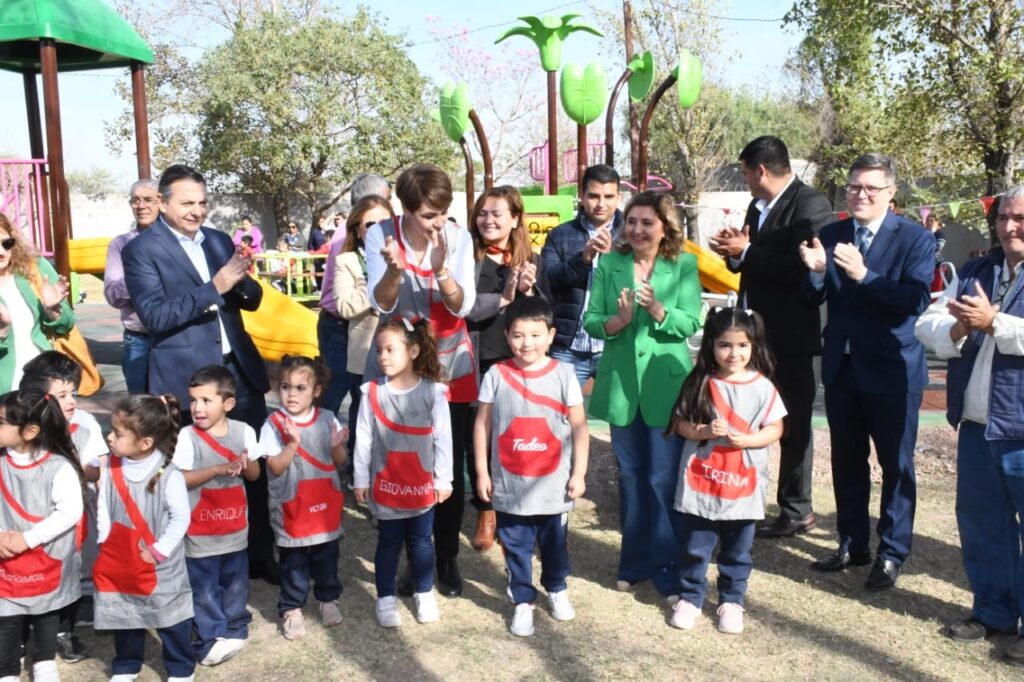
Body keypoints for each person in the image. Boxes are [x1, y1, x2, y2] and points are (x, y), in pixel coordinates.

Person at [122, 164, 275, 584]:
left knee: (252, 464)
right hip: (186, 380)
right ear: (163, 202)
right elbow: (154, 316)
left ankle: (260, 554)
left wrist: (241, 279)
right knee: (188, 474)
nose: (197, 211)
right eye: (187, 203)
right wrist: (215, 286)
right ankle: (194, 559)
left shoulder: (218, 240)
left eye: (203, 203)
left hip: (237, 372)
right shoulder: (141, 250)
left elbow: (251, 299)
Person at [799, 152, 934, 590]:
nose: (860, 194)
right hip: (843, 367)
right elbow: (811, 297)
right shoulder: (832, 234)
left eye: (870, 188)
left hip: (893, 370)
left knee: (896, 466)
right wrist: (816, 273)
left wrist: (865, 275)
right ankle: (852, 542)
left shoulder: (914, 238)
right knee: (847, 461)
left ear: (891, 193)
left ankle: (891, 553)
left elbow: (914, 301)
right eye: (854, 186)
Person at [914, 186, 1024, 666]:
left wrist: (995, 322)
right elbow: (928, 322)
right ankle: (993, 612)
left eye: (1019, 218)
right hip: (978, 424)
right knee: (982, 524)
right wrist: (958, 327)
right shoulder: (978, 270)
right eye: (1003, 217)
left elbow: (1003, 329)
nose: (1008, 227)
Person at [709, 136, 833, 539]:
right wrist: (734, 252)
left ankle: (796, 509)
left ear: (761, 170)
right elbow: (751, 262)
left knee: (793, 425)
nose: (745, 179)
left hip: (793, 338)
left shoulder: (811, 205)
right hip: (754, 337)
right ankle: (745, 496)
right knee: (749, 419)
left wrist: (747, 252)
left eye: (745, 172)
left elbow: (802, 268)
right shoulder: (757, 205)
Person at [583, 191, 702, 600]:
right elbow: (591, 321)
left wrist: (658, 312)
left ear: (665, 227)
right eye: (631, 221)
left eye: (647, 222)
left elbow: (691, 322)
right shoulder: (609, 264)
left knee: (662, 478)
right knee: (631, 477)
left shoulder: (684, 264)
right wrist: (618, 321)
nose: (637, 229)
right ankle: (633, 563)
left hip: (666, 387)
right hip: (621, 387)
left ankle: (668, 567)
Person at [365, 163, 476, 598]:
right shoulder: (381, 235)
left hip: (449, 359)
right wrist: (395, 271)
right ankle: (415, 557)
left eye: (443, 212)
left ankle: (445, 556)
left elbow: (462, 306)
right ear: (406, 210)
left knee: (448, 458)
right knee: (403, 458)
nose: (438, 222)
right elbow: (380, 304)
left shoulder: (458, 237)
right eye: (429, 215)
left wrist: (441, 270)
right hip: (401, 361)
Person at [473, 296, 589, 637]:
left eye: (536, 335)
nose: (527, 343)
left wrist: (579, 473)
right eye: (519, 335)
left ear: (550, 335)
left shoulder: (564, 374)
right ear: (507, 336)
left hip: (553, 487)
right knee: (515, 547)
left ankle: (556, 587)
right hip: (510, 487)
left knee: (555, 547)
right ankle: (523, 600)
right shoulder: (496, 374)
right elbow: (482, 425)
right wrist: (482, 471)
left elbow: (580, 428)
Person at [667, 308, 787, 634]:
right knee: (695, 546)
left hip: (742, 484)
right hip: (703, 482)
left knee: (738, 549)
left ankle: (732, 601)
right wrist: (704, 431)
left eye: (742, 345)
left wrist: (749, 440)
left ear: (753, 345)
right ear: (711, 345)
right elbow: (680, 424)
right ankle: (691, 597)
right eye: (724, 345)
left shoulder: (763, 387)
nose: (734, 353)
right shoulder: (699, 382)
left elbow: (775, 428)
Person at [353, 319, 452, 628]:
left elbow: (443, 438)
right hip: (386, 487)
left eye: (390, 349)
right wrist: (360, 479)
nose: (382, 356)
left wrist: (443, 479)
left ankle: (424, 592)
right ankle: (385, 597)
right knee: (388, 542)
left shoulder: (433, 392)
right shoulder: (371, 392)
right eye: (378, 350)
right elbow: (363, 439)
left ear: (413, 351)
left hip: (421, 487)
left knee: (422, 541)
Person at [466, 185, 550, 552]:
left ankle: (515, 511)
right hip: (476, 362)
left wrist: (528, 292)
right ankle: (486, 512)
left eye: (497, 214)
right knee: (479, 439)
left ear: (515, 219)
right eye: (482, 214)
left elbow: (546, 314)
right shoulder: (466, 257)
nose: (488, 220)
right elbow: (463, 309)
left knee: (516, 436)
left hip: (518, 364)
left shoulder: (532, 260)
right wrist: (503, 298)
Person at [95, 394, 194, 682]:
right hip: (121, 558)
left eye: (118, 433)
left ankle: (181, 668)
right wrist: (104, 540)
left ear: (145, 443)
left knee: (170, 617)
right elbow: (103, 503)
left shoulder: (169, 476)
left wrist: (159, 550)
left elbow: (180, 518)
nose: (109, 437)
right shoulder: (111, 466)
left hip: (159, 563)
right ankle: (127, 665)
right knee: (124, 612)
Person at [19, 352, 107, 663]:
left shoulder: (85, 424)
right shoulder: (23, 426)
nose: (71, 402)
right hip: (29, 517)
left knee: (68, 570)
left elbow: (99, 468)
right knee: (26, 572)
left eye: (73, 393)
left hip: (74, 518)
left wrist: (78, 472)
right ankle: (20, 635)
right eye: (62, 395)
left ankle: (63, 631)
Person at [173, 365, 260, 666]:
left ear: (228, 403)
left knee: (235, 582)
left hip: (234, 528)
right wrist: (215, 469)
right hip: (201, 532)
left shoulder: (244, 431)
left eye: (206, 400)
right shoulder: (187, 436)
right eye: (193, 400)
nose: (197, 408)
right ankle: (209, 639)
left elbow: (255, 475)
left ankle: (235, 627)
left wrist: (246, 462)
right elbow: (180, 479)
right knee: (204, 588)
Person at [258, 355, 347, 640]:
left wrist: (336, 446)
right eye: (286, 387)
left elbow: (340, 461)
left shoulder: (328, 419)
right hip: (292, 506)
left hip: (323, 503)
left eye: (300, 388)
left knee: (327, 555)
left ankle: (328, 597)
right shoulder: (273, 424)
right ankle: (291, 606)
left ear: (316, 390)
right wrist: (293, 443)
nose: (292, 394)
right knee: (293, 560)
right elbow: (275, 467)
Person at [0, 389, 85, 682]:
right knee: (6, 615)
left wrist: (27, 539)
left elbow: (70, 512)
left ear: (30, 431)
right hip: (6, 556)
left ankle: (44, 662)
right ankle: (7, 670)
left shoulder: (58, 467)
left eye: (1, 422)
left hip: (47, 554)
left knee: (48, 611)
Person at [541, 164, 623, 387]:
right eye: (594, 196)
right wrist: (582, 260)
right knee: (560, 408)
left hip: (615, 344)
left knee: (619, 409)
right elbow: (548, 281)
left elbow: (637, 285)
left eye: (609, 196)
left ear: (619, 197)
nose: (601, 203)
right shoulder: (561, 234)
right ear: (582, 196)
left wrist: (610, 259)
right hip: (568, 346)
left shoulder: (631, 235)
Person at [317, 172, 391, 415]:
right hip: (340, 326)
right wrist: (384, 284)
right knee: (333, 395)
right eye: (387, 198)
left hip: (366, 328)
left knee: (365, 402)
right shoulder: (345, 241)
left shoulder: (388, 246)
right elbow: (346, 304)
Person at [334, 197, 394, 461]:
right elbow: (345, 307)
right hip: (366, 354)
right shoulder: (347, 260)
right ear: (357, 229)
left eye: (385, 222)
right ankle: (359, 473)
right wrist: (378, 286)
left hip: (404, 353)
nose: (379, 228)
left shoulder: (408, 256)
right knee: (365, 419)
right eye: (370, 224)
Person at [0, 212, 73, 393]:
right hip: (6, 391)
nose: (1, 252)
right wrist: (2, 331)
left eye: (7, 244)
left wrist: (53, 310)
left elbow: (66, 325)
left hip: (46, 383)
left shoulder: (35, 268)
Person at [104, 179, 161, 394]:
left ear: (162, 202)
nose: (141, 206)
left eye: (148, 199)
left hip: (174, 338)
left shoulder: (177, 241)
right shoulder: (121, 244)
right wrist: (140, 277)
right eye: (135, 200)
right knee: (140, 405)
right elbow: (113, 296)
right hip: (138, 338)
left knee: (175, 403)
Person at [926, 214, 948, 293]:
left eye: (931, 221)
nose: (929, 222)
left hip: (937, 265)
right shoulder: (924, 233)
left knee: (935, 290)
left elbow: (937, 248)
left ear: (936, 223)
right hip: (925, 265)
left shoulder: (939, 234)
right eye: (927, 221)